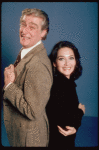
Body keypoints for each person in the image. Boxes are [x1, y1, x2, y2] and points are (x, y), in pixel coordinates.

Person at [3, 8, 53, 147]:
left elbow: (32, 111)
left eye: (32, 27)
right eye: (23, 24)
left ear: (43, 33)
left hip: (30, 140)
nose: (24, 31)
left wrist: (9, 85)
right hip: (21, 134)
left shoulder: (38, 65)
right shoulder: (27, 51)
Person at [46, 41, 85, 149]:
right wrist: (80, 111)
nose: (67, 64)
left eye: (71, 58)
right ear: (54, 63)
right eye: (61, 59)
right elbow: (65, 124)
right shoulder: (60, 85)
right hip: (58, 142)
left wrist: (75, 126)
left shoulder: (68, 83)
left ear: (76, 61)